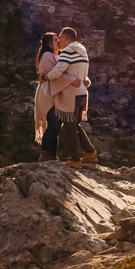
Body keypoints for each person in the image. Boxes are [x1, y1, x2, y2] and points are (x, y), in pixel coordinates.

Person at [49, 26, 97, 165]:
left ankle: (75, 159)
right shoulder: (82, 50)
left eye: (60, 38)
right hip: (83, 94)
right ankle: (90, 153)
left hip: (72, 95)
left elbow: (58, 71)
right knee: (75, 125)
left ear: (66, 38)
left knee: (69, 127)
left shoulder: (68, 51)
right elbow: (81, 73)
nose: (59, 41)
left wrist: (46, 76)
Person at [32, 32, 60, 161]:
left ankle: (52, 154)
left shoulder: (55, 55)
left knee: (55, 124)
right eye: (55, 39)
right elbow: (55, 74)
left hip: (53, 92)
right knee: (53, 123)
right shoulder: (48, 55)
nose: (58, 41)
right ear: (49, 42)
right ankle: (45, 154)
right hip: (48, 93)